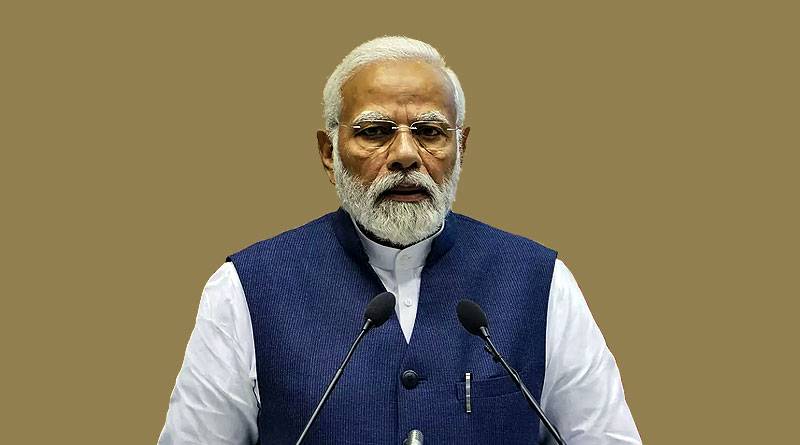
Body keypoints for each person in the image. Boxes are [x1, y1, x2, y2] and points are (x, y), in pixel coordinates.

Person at [158, 36, 642, 444]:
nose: (406, 155)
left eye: (430, 131)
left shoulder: (540, 281)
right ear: (329, 153)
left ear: (460, 147)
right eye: (375, 132)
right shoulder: (245, 288)